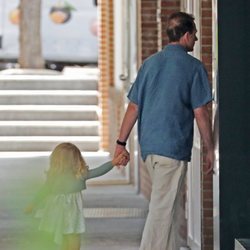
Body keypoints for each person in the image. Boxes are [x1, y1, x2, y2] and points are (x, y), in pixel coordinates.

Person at [114, 12, 214, 250]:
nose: (197, 40)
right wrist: (210, 149)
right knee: (162, 211)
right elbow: (201, 112)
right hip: (172, 149)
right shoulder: (193, 67)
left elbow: (134, 107)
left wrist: (121, 142)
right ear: (186, 35)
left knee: (170, 210)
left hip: (150, 149)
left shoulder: (150, 64)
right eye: (195, 35)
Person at [25, 142, 127, 250]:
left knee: (67, 237)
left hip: (63, 213)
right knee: (72, 237)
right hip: (65, 213)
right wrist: (113, 162)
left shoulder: (73, 174)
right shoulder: (74, 174)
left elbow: (44, 190)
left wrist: (33, 204)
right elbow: (98, 171)